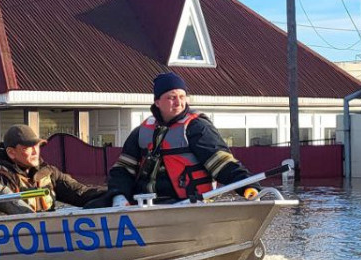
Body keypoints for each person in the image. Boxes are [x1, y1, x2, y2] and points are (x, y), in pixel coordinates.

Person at [108, 72, 259, 205]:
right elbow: (122, 169)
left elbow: (222, 163)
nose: (179, 103)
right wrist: (118, 196)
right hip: (142, 204)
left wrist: (247, 186)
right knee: (95, 203)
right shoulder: (141, 132)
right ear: (157, 102)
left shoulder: (197, 128)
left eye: (182, 97)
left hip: (187, 203)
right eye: (171, 98)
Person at [0, 124, 108, 211]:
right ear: (11, 152)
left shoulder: (49, 173)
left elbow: (80, 193)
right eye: (27, 147)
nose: (35, 152)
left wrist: (115, 193)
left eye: (37, 146)